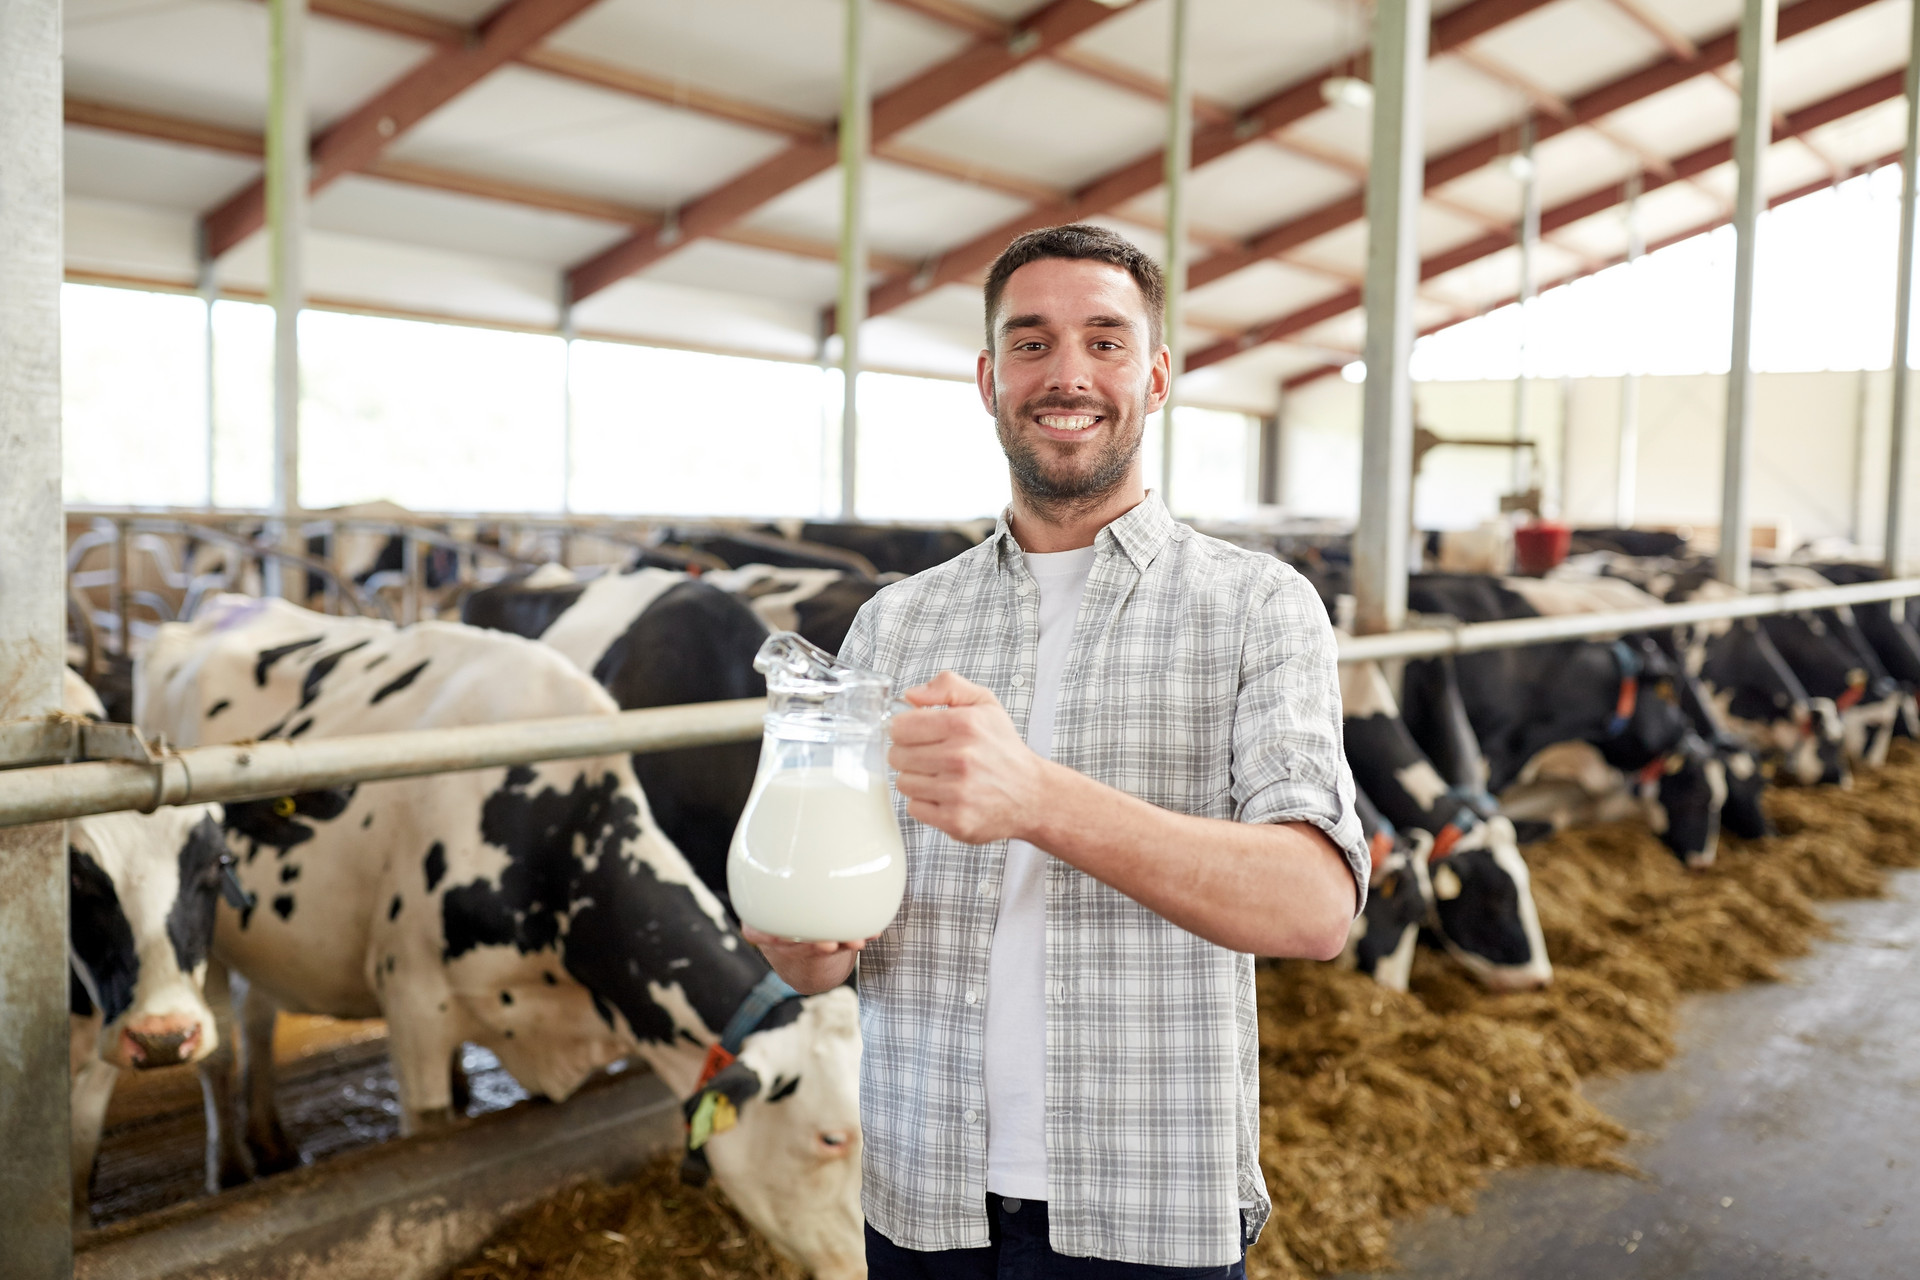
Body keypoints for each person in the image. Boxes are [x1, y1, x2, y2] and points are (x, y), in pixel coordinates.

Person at [742, 223, 1367, 1278]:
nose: (1066, 373)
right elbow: (835, 936)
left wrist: (1036, 796)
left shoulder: (1259, 607)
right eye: (1030, 344)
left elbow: (1314, 907)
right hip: (922, 1192)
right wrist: (807, 941)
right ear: (989, 379)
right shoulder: (895, 626)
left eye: (1106, 342)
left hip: (1146, 1199)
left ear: (1157, 375)